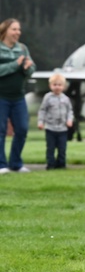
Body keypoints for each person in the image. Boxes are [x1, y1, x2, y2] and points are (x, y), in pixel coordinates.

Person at [0, 18, 35, 174]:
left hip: (18, 97)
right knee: (0, 131)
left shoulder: (22, 48)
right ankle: (1, 165)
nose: (17, 33)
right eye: (14, 29)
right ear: (5, 31)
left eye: (19, 29)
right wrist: (15, 64)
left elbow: (31, 69)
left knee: (22, 129)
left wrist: (28, 68)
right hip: (1, 96)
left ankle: (16, 163)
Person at [37, 73, 74, 170]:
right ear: (50, 86)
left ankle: (61, 164)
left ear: (64, 86)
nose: (57, 87)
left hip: (63, 129)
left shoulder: (66, 99)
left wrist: (69, 120)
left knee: (62, 148)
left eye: (59, 85)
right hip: (50, 128)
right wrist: (41, 122)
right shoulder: (47, 97)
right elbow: (43, 110)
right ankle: (51, 164)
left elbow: (70, 111)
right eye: (55, 85)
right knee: (51, 148)